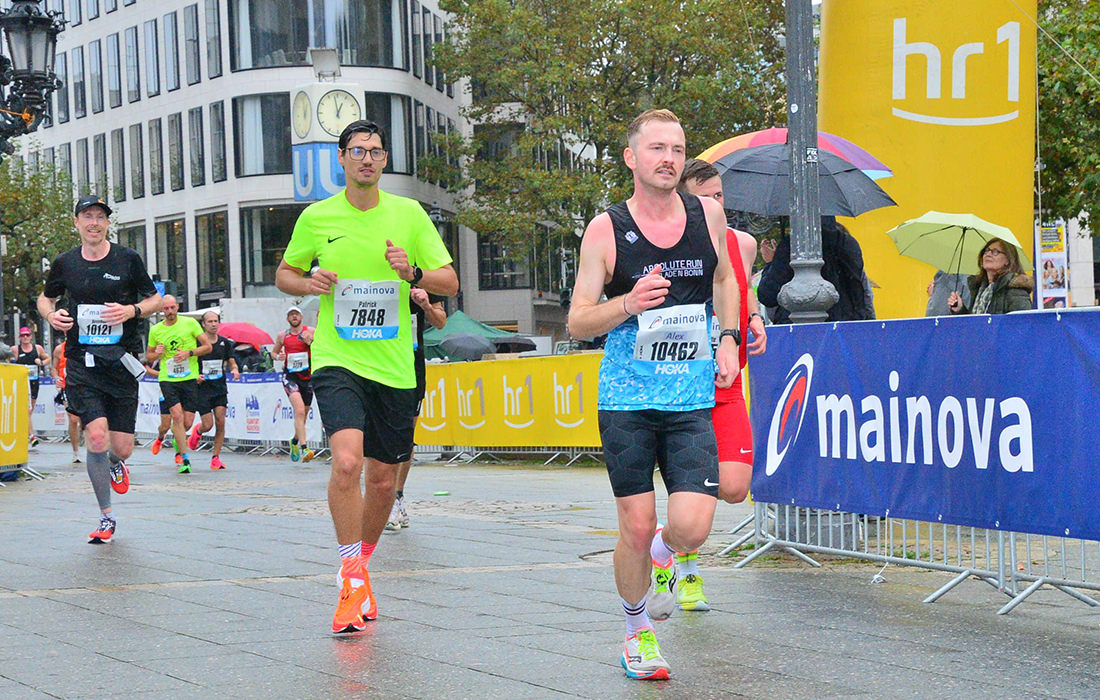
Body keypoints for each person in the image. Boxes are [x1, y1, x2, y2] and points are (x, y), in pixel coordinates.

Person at [567, 109, 740, 680]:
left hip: (690, 399)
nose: (668, 157)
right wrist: (628, 304)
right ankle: (637, 632)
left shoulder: (707, 214)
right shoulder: (606, 229)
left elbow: (723, 281)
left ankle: (665, 558)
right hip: (627, 402)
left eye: (677, 147)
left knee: (691, 526)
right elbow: (578, 322)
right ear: (632, 159)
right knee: (635, 527)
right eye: (657, 148)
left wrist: (729, 338)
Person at [275, 119, 458, 634]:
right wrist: (310, 282)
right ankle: (352, 576)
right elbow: (284, 274)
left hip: (395, 365)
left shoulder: (409, 214)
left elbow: (450, 280)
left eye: (376, 151)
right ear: (341, 158)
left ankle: (361, 566)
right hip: (337, 358)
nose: (367, 159)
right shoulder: (317, 217)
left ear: (383, 160)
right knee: (347, 461)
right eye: (358, 151)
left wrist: (412, 274)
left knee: (381, 478)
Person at [38, 194, 162, 543]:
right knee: (96, 436)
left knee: (120, 447)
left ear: (108, 223)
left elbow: (156, 300)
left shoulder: (128, 259)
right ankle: (106, 517)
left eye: (100, 217)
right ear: (76, 223)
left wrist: (132, 311)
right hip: (82, 362)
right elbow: (46, 297)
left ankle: (114, 462)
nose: (94, 222)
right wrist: (51, 314)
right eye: (87, 216)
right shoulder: (65, 263)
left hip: (121, 362)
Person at [675, 158, 767, 612]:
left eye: (720, 197)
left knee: (733, 487)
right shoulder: (672, 244)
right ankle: (684, 566)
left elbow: (740, 288)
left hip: (727, 383)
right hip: (681, 387)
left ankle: (667, 535)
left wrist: (752, 318)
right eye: (704, 198)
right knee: (696, 503)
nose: (715, 205)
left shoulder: (743, 243)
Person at [385, 287, 447, 531]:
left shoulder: (422, 274)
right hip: (376, 361)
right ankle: (380, 496)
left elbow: (440, 321)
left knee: (405, 436)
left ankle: (396, 497)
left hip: (411, 365)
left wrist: (426, 305)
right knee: (377, 433)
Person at [757, 217, 875, 323]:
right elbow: (862, 295)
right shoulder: (847, 243)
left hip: (799, 330)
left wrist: (771, 263)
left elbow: (768, 296)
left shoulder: (792, 246)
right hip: (846, 328)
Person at [145, 295, 211, 474]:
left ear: (177, 307)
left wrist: (189, 353)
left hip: (189, 378)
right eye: (166, 309)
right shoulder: (156, 330)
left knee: (187, 421)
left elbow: (207, 346)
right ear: (161, 310)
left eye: (172, 308)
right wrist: (156, 353)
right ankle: (185, 459)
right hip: (168, 379)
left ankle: (178, 440)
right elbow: (148, 356)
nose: (170, 312)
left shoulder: (190, 324)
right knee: (176, 416)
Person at [188, 310, 240, 469]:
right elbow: (189, 362)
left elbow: (231, 361)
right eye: (210, 321)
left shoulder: (225, 343)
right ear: (203, 324)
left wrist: (235, 369)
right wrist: (195, 376)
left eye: (216, 321)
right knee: (208, 424)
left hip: (219, 388)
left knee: (221, 421)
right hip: (202, 389)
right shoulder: (198, 344)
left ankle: (216, 457)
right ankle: (198, 431)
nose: (213, 324)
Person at [272, 306, 315, 462]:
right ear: (287, 319)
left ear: (301, 317)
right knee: (299, 411)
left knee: (302, 417)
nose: (294, 317)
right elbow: (274, 352)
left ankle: (295, 441)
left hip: (308, 377)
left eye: (296, 314)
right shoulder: (283, 335)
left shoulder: (310, 331)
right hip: (290, 377)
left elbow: (321, 349)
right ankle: (305, 449)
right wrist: (279, 357)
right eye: (291, 315)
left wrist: (310, 343)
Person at [948, 238, 1033, 315]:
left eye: (995, 252)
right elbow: (974, 325)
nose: (988, 254)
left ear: (1008, 260)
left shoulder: (1015, 289)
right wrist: (960, 309)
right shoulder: (979, 288)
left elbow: (1022, 324)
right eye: (986, 250)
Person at [14, 326, 51, 447]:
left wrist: (41, 362)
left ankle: (24, 433)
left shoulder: (37, 348)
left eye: (27, 335)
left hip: (34, 382)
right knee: (27, 410)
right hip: (21, 382)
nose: (25, 338)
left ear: (31, 337)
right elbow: (7, 362)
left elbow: (48, 359)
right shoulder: (15, 349)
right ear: (20, 338)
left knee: (29, 411)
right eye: (23, 335)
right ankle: (32, 436)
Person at [51, 341, 83, 463]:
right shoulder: (59, 349)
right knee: (73, 419)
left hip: (82, 386)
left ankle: (83, 438)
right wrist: (56, 378)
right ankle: (76, 452)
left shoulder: (82, 345)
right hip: (67, 387)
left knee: (84, 419)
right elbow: (54, 368)